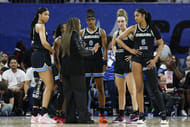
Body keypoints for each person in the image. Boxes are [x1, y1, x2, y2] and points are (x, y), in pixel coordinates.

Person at [116, 8, 168, 124]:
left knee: (154, 89)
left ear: (143, 16)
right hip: (137, 59)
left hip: (149, 60)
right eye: (134, 16)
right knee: (139, 88)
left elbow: (161, 43)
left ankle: (163, 114)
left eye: (137, 16)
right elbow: (118, 39)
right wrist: (131, 50)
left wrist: (155, 59)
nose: (135, 18)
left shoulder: (152, 28)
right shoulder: (133, 28)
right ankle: (141, 115)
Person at [60, 17, 99, 123]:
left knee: (69, 95)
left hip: (65, 71)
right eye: (79, 23)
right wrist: (92, 51)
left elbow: (61, 55)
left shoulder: (64, 37)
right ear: (75, 25)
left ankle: (70, 118)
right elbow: (81, 51)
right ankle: (83, 118)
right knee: (80, 94)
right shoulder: (76, 35)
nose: (81, 25)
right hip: (76, 70)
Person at [80, 8, 108, 123]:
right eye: (88, 20)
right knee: (85, 89)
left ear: (95, 20)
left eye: (92, 19)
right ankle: (86, 114)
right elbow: (79, 49)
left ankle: (102, 114)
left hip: (97, 63)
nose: (90, 21)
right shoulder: (82, 32)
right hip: (86, 63)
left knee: (100, 88)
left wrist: (105, 62)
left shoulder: (101, 32)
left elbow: (105, 48)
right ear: (86, 21)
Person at [30, 7, 56, 124]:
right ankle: (43, 114)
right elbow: (44, 43)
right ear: (39, 14)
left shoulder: (36, 25)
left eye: (49, 15)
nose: (47, 17)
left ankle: (35, 115)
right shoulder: (40, 25)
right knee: (49, 85)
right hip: (41, 55)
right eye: (45, 14)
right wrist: (53, 50)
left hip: (37, 55)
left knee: (40, 85)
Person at [112, 9, 138, 123]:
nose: (120, 23)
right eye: (119, 22)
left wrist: (132, 57)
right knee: (120, 91)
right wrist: (114, 54)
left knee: (132, 90)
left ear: (126, 22)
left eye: (122, 21)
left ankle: (136, 113)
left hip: (128, 64)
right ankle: (121, 115)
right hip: (118, 63)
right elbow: (113, 45)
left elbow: (139, 47)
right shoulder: (116, 34)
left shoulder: (131, 33)